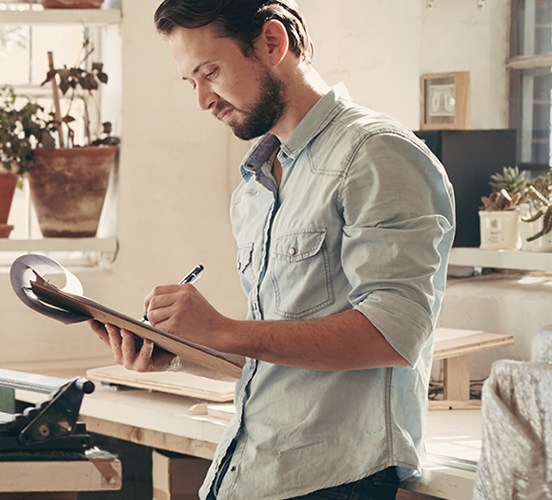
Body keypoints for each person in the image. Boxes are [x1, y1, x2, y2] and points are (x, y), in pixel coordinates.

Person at [89, 2, 455, 499]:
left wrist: (222, 328)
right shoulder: (256, 184)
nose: (202, 100)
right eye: (190, 82)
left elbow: (393, 334)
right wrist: (183, 352)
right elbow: (281, 354)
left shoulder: (378, 154)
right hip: (252, 473)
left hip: (334, 481)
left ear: (271, 43)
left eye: (210, 72)